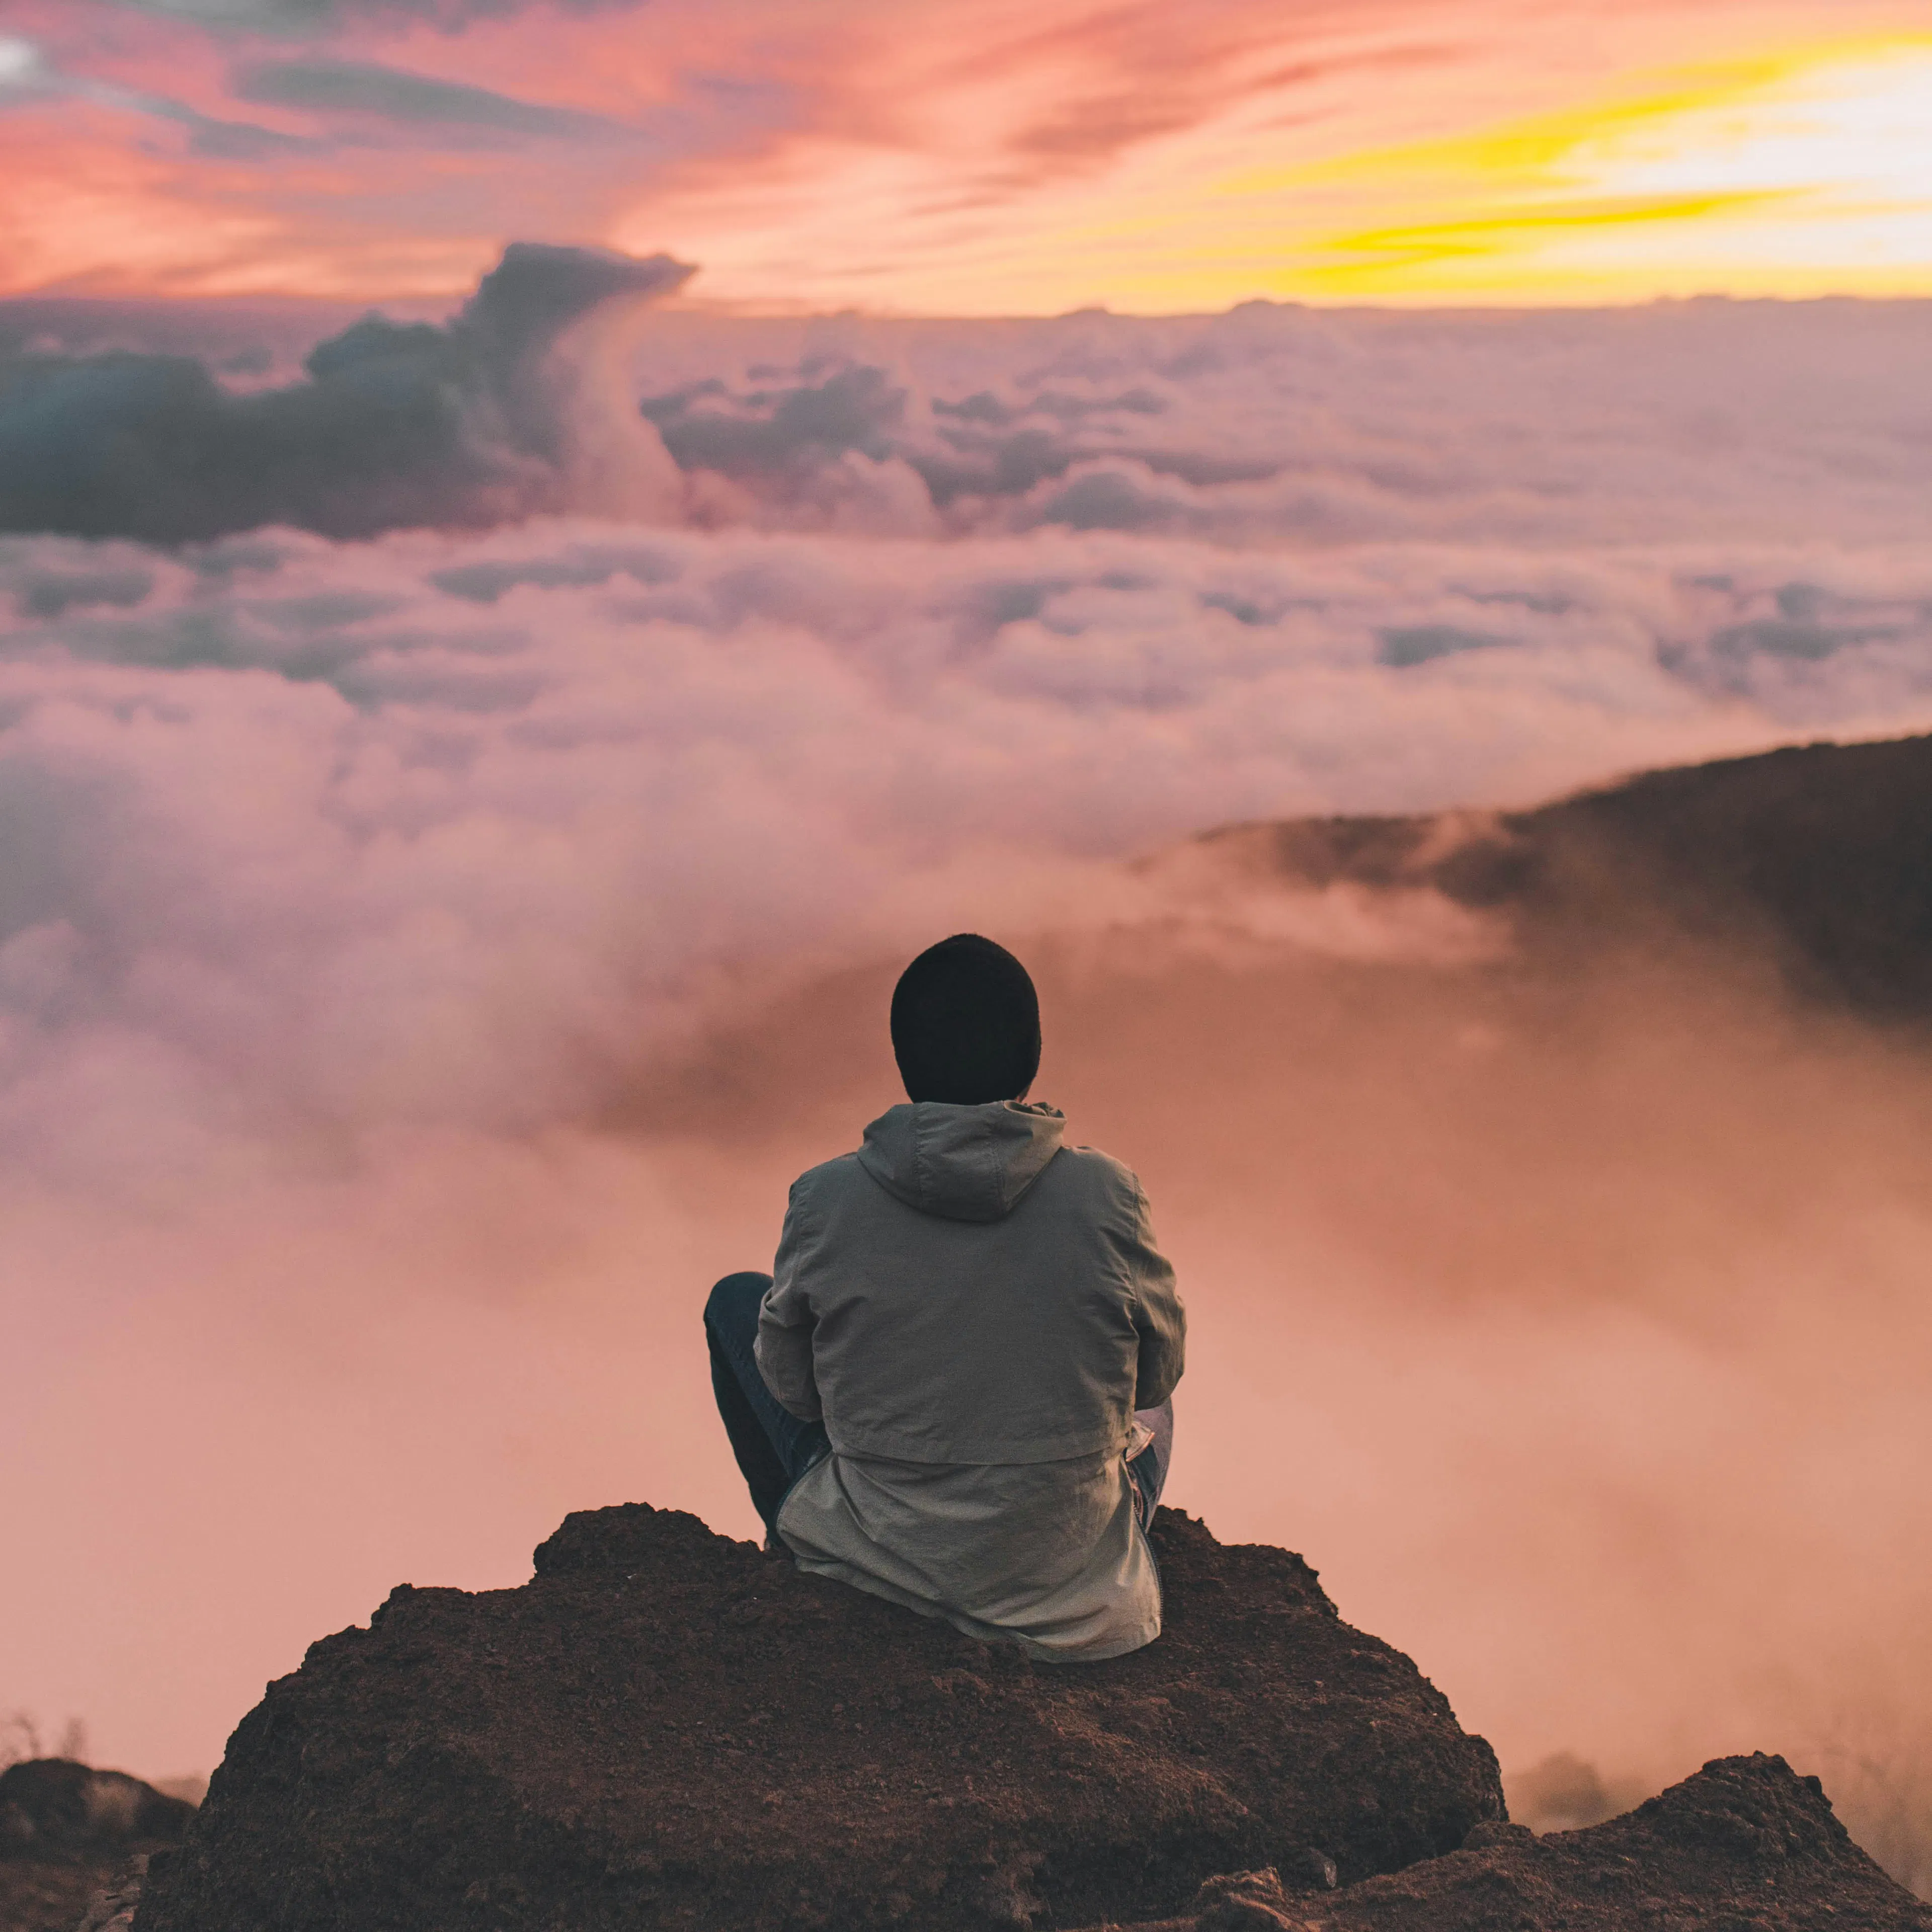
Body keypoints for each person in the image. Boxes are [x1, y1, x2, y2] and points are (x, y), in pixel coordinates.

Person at [703, 932, 1185, 1661]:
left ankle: (796, 1547)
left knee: (736, 1302)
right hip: (1072, 1591)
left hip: (878, 1557)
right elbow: (1154, 1377)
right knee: (1156, 1408)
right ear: (1031, 1062)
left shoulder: (825, 1198)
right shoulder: (1107, 1194)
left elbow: (796, 1395)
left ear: (905, 1064)